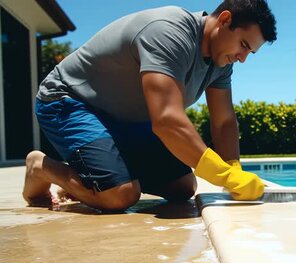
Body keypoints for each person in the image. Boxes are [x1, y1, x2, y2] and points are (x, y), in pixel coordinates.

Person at [23, 0, 276, 211]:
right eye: (243, 45)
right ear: (224, 20)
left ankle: (95, 178)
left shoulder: (222, 63)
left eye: (250, 52)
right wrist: (224, 175)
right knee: (120, 195)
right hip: (70, 100)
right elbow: (166, 120)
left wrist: (234, 167)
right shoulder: (170, 32)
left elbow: (223, 121)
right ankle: (41, 167)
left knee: (183, 187)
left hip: (126, 118)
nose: (242, 58)